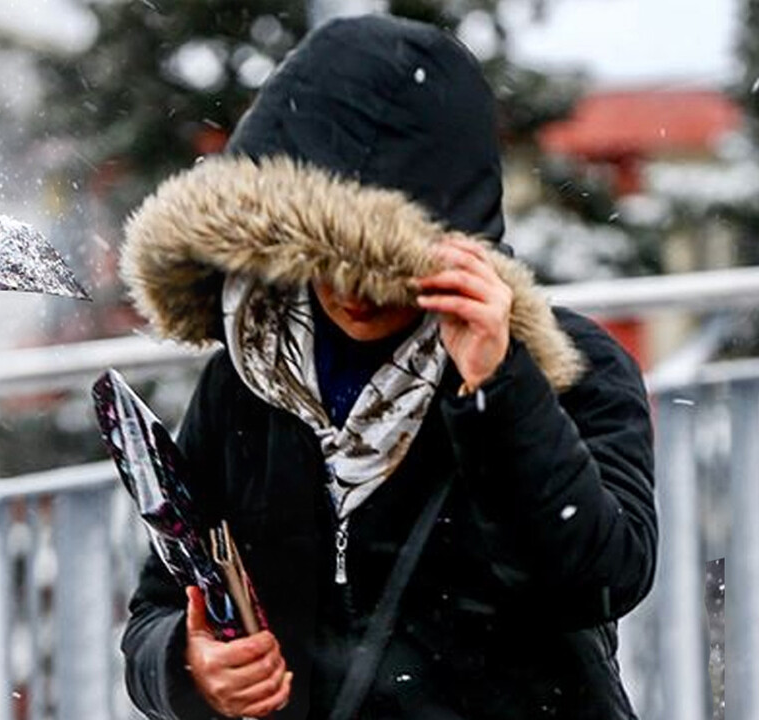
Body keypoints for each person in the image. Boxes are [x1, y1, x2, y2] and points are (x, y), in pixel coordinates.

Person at [118, 15, 656, 720]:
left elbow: (601, 581)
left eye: (385, 264)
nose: (351, 290)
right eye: (321, 256)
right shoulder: (248, 378)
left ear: (452, 244)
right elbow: (159, 607)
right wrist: (189, 667)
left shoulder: (568, 370)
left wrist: (497, 390)